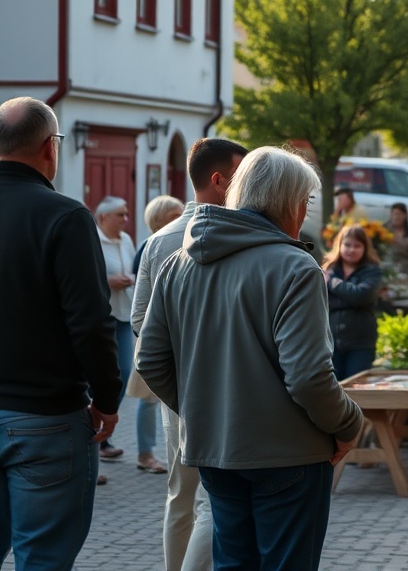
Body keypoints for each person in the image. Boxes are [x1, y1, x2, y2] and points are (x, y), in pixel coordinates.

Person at [137, 146, 364, 570]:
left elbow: (149, 360)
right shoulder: (296, 267)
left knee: (231, 561)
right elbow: (310, 376)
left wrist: (202, 409)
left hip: (214, 449)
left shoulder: (176, 264)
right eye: (307, 201)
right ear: (289, 201)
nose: (305, 211)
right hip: (287, 454)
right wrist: (350, 423)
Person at [0, 96, 121, 570]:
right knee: (43, 559)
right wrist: (108, 401)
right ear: (50, 148)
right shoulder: (65, 218)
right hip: (46, 418)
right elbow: (90, 324)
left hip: (37, 417)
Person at [131, 138, 248, 571]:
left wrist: (172, 380)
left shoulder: (159, 239)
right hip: (224, 388)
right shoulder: (240, 233)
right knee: (212, 501)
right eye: (242, 176)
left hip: (176, 388)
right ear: (219, 181)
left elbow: (140, 322)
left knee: (181, 496)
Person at [126, 196, 186, 476]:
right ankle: (146, 453)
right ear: (159, 220)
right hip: (154, 337)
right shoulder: (151, 246)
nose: (183, 217)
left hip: (157, 336)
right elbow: (143, 304)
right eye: (176, 214)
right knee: (148, 398)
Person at [94, 196, 140, 467]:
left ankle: (103, 426)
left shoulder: (126, 240)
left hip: (123, 315)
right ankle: (97, 437)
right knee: (96, 377)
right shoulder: (92, 239)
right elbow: (85, 276)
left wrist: (128, 280)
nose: (125, 219)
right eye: (120, 215)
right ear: (103, 218)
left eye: (125, 214)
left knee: (122, 373)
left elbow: (133, 269)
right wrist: (108, 281)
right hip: (102, 317)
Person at [323, 223, 384, 379]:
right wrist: (350, 295)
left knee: (356, 389)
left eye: (357, 246)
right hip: (330, 344)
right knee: (332, 390)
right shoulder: (328, 268)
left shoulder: (372, 271)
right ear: (339, 245)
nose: (351, 249)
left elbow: (361, 296)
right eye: (347, 244)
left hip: (360, 343)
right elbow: (321, 302)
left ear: (365, 248)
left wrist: (332, 282)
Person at [384, 202, 408, 279]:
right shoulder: (383, 230)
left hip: (407, 268)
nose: (396, 217)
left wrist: (407, 243)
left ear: (405, 215)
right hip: (388, 265)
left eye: (399, 214)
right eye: (394, 214)